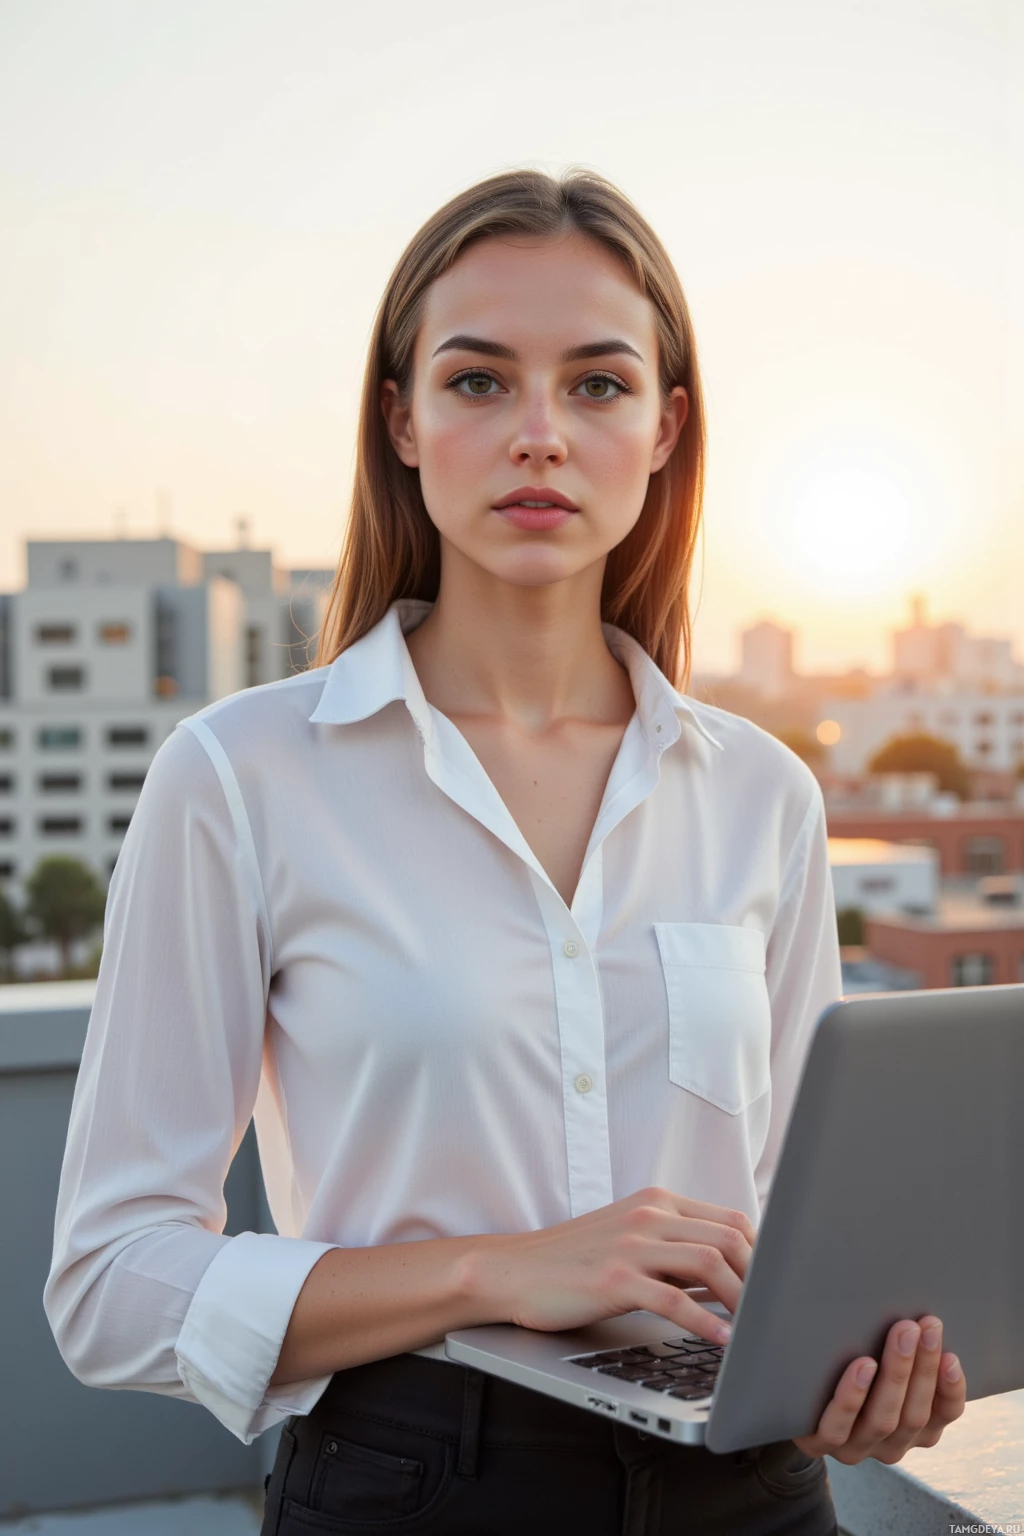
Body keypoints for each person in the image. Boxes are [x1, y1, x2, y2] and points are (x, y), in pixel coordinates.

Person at [44, 168, 966, 1535]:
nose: (541, 434)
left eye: (598, 385)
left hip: (753, 1492)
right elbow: (109, 1285)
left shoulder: (762, 793)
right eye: (480, 382)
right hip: (408, 1481)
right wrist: (496, 1272)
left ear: (666, 428)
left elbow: (789, 1224)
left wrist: (872, 1364)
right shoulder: (241, 776)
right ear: (402, 419)